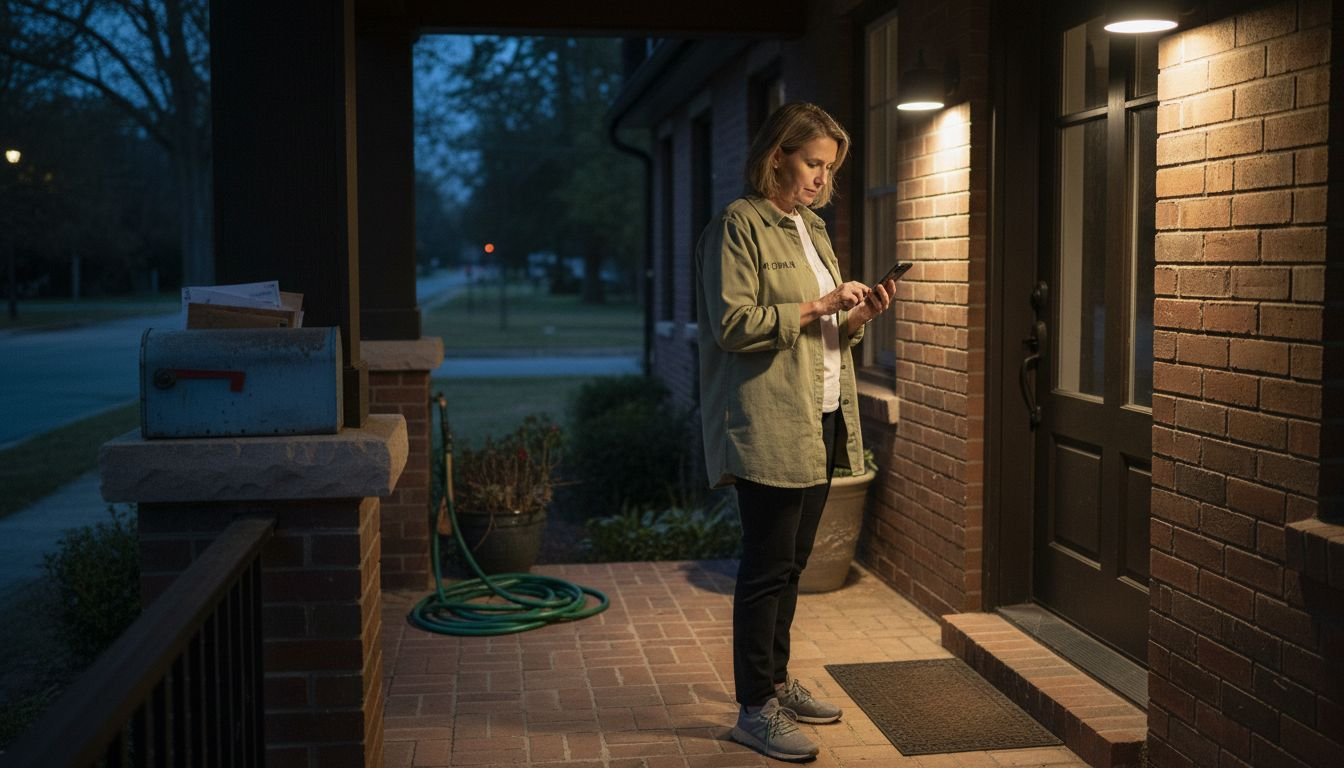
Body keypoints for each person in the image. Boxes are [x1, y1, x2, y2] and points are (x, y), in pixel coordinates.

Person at [695, 101, 898, 762]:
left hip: (824, 415)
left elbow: (825, 333)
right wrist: (818, 302)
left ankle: (776, 684)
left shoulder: (812, 228)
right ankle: (754, 708)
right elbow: (733, 325)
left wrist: (860, 312)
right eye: (811, 162)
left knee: (793, 566)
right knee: (765, 568)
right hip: (770, 420)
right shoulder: (738, 226)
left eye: (827, 168)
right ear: (778, 153)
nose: (819, 177)